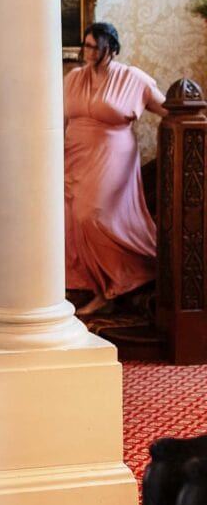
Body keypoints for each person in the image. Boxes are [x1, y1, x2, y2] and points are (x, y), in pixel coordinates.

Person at [64, 22, 167, 318]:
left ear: (112, 48)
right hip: (75, 155)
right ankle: (99, 290)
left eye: (95, 46)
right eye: (86, 45)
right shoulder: (73, 78)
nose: (89, 52)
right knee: (74, 221)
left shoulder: (132, 78)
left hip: (113, 154)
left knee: (92, 215)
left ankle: (142, 268)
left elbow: (169, 109)